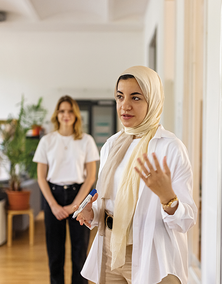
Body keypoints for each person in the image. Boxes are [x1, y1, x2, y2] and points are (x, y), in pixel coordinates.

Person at [75, 66, 197, 284]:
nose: (125, 105)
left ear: (153, 100)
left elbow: (186, 221)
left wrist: (168, 198)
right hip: (110, 249)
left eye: (136, 97)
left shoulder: (170, 148)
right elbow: (109, 201)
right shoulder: (112, 145)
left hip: (152, 250)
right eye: (120, 97)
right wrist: (91, 212)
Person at [33, 95, 100, 284]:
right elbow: (41, 177)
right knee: (55, 253)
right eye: (62, 111)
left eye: (70, 111)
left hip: (79, 195)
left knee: (80, 253)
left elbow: (91, 177)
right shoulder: (47, 141)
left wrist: (76, 205)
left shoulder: (86, 141)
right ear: (57, 114)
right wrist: (53, 205)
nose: (66, 115)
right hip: (52, 195)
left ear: (76, 115)